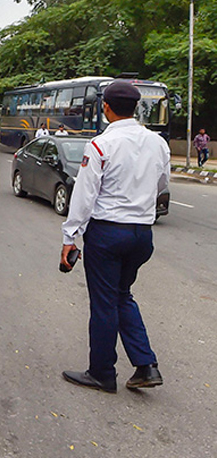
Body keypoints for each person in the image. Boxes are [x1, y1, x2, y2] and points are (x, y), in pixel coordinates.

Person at [60, 80, 169, 393]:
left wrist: (70, 237)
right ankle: (146, 365)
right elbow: (162, 183)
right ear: (136, 107)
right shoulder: (157, 143)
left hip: (108, 233)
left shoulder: (100, 145)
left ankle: (102, 372)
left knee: (105, 303)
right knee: (122, 295)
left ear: (105, 108)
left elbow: (84, 195)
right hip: (141, 235)